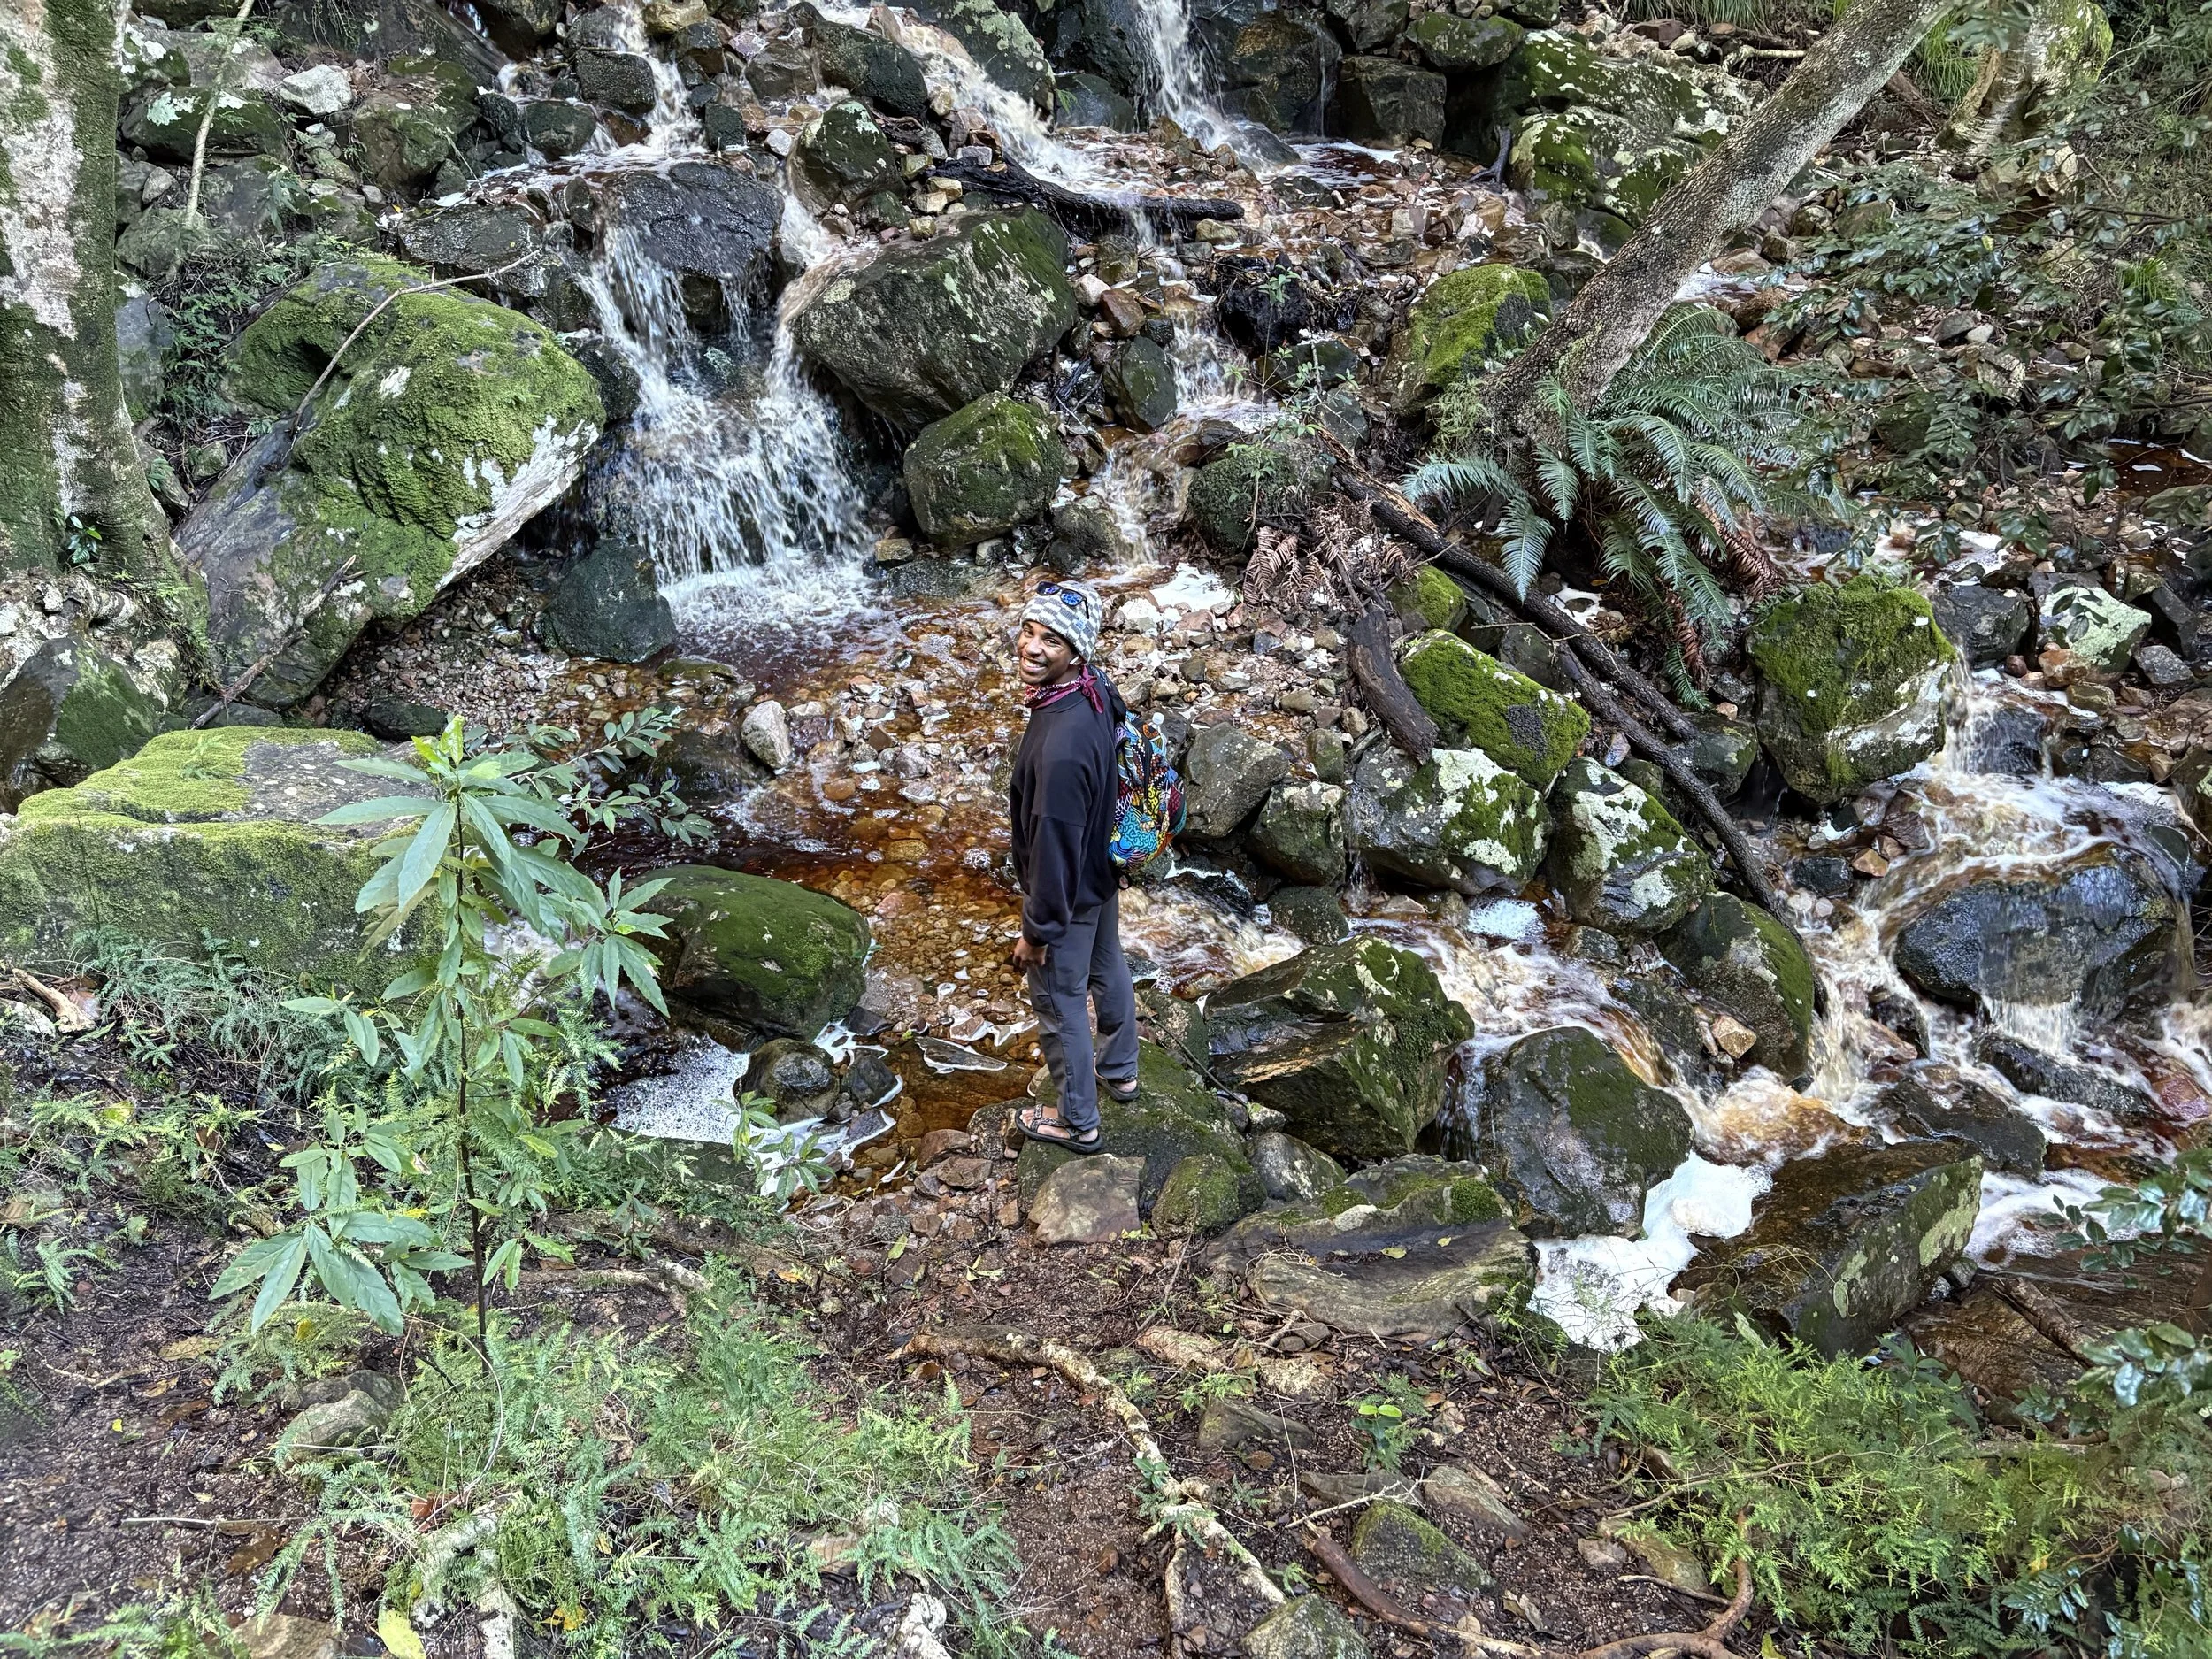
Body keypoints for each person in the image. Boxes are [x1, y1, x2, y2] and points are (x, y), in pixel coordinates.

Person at [1006, 578, 1138, 1152]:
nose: (1032, 647)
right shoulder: (1093, 690)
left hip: (1073, 884)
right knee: (1108, 966)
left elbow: (1052, 849)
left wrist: (1036, 933)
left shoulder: (1059, 748)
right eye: (1028, 631)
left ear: (1076, 652)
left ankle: (1078, 1121)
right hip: (1101, 866)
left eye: (1051, 641)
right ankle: (1122, 1070)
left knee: (1060, 1001)